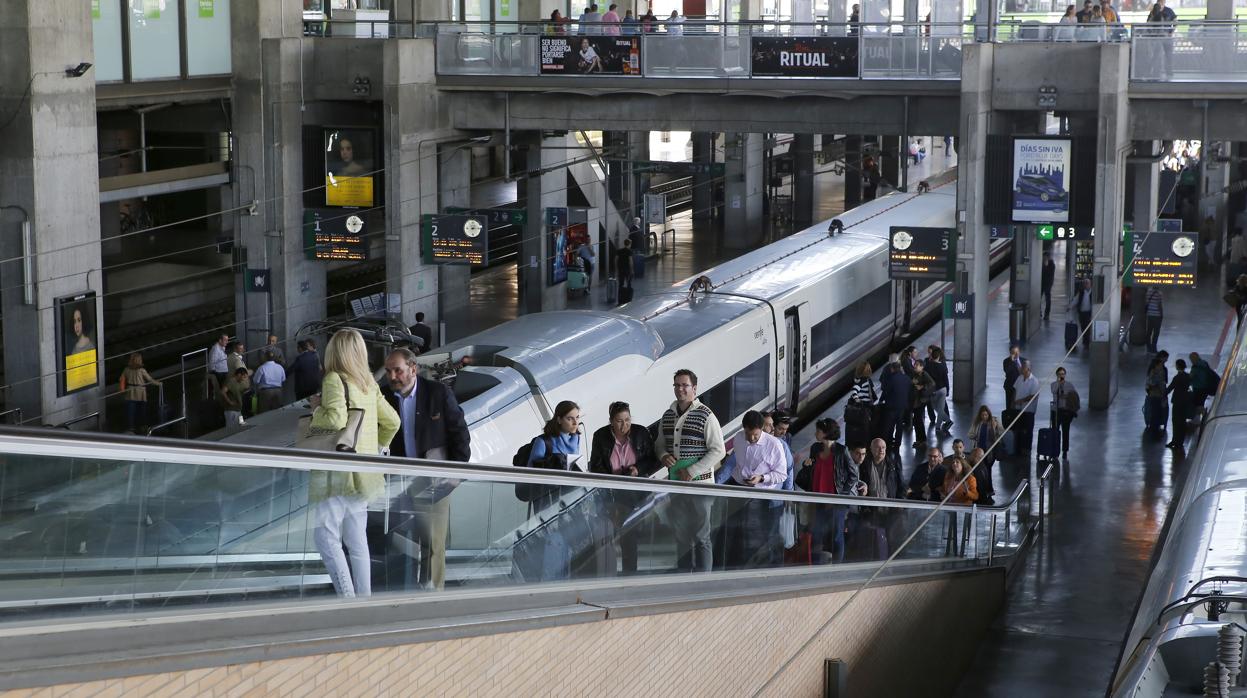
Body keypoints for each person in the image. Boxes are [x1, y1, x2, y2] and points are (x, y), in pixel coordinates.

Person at [307, 329, 400, 598]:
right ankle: (364, 599)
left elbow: (335, 420)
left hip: (339, 472)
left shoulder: (335, 379)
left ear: (334, 352)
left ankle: (347, 599)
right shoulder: (369, 383)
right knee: (356, 539)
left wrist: (316, 409)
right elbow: (393, 421)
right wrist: (378, 448)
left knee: (325, 536)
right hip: (365, 473)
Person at [381, 348, 471, 589]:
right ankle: (404, 591)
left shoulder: (437, 393)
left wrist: (456, 475)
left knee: (432, 541)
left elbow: (460, 433)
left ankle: (432, 596)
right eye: (388, 371)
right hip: (396, 481)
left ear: (413, 368)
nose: (392, 376)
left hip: (433, 479)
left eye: (397, 370)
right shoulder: (384, 396)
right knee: (396, 538)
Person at [654, 369, 726, 573]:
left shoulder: (706, 415)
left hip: (700, 487)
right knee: (681, 536)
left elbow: (719, 450)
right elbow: (659, 444)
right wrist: (662, 456)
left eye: (684, 385)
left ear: (694, 388)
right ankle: (684, 579)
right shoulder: (668, 415)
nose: (680, 389)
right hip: (677, 485)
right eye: (676, 385)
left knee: (701, 536)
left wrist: (692, 470)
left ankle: (703, 583)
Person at [589, 401, 659, 575]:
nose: (624, 425)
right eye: (619, 421)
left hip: (633, 492)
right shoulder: (600, 436)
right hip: (611, 492)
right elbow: (596, 465)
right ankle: (606, 573)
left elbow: (652, 460)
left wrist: (638, 469)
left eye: (627, 420)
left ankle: (630, 574)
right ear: (611, 421)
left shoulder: (641, 433)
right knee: (607, 535)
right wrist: (610, 480)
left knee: (629, 537)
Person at [723, 411, 788, 568]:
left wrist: (762, 478)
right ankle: (736, 568)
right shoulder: (739, 438)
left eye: (755, 435)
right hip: (739, 490)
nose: (751, 438)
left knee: (757, 536)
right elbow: (734, 463)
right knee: (736, 534)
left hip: (761, 495)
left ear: (762, 430)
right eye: (748, 434)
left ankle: (756, 569)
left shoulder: (774, 445)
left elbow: (782, 475)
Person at [801, 419, 864, 564]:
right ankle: (816, 565)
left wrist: (842, 494)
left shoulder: (842, 451)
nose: (816, 433)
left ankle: (836, 567)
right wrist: (807, 466)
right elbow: (812, 470)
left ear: (826, 433)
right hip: (817, 499)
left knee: (836, 536)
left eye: (818, 431)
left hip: (836, 502)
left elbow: (853, 475)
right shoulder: (815, 448)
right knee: (816, 534)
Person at [859, 438, 904, 559]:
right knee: (872, 539)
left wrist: (900, 504)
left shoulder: (893, 465)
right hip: (871, 510)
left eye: (883, 447)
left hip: (890, 510)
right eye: (878, 447)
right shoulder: (865, 465)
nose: (881, 450)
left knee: (891, 538)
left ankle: (891, 563)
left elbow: (901, 486)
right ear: (871, 449)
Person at [967, 405, 1003, 501]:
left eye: (986, 415)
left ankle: (988, 489)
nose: (984, 417)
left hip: (990, 451)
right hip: (979, 451)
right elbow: (970, 434)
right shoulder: (977, 423)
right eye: (982, 415)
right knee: (981, 470)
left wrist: (995, 428)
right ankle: (983, 489)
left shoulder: (994, 421)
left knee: (987, 470)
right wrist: (975, 436)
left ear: (989, 414)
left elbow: (1001, 433)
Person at [121, 353, 160, 434]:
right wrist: (159, 383)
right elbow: (150, 380)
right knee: (142, 411)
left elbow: (122, 380)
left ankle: (131, 428)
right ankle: (143, 426)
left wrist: (122, 390)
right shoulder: (142, 370)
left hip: (130, 391)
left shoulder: (126, 369)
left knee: (130, 412)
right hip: (140, 392)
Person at [844, 360, 878, 449]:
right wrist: (857, 399)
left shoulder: (858, 379)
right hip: (864, 408)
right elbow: (854, 390)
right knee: (866, 428)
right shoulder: (863, 380)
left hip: (861, 408)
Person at [880, 359, 911, 451]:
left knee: (889, 425)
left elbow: (886, 391)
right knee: (899, 426)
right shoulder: (906, 378)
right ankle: (897, 444)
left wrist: (881, 400)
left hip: (891, 406)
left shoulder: (891, 379)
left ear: (892, 369)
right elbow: (910, 391)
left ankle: (888, 443)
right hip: (902, 406)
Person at [1050, 366, 1080, 457]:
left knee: (1065, 431)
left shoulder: (1070, 385)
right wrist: (1059, 384)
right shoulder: (1054, 384)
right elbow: (1054, 391)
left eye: (1063, 374)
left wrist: (1067, 397)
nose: (1061, 376)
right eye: (1059, 374)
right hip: (1056, 410)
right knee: (1055, 430)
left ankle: (1065, 451)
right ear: (1057, 375)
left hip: (1066, 411)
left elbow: (1074, 396)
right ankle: (1054, 449)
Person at [1013, 360, 1040, 454]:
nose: (1021, 368)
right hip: (1018, 408)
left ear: (1028, 369)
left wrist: (1021, 401)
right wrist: (1014, 401)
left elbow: (1033, 395)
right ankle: (1018, 448)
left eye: (1023, 367)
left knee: (1028, 430)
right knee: (1018, 429)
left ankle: (1027, 449)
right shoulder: (1019, 378)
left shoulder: (1034, 381)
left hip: (1028, 410)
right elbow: (1015, 390)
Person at [1166, 358, 1193, 449]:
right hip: (1185, 401)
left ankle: (1175, 440)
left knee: (1176, 421)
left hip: (1177, 401)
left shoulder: (1177, 378)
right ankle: (1180, 441)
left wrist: (1163, 394)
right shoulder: (1188, 376)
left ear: (1177, 366)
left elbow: (1170, 388)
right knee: (1182, 421)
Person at [925, 348, 953, 435]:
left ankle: (938, 427)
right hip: (943, 389)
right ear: (939, 356)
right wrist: (948, 390)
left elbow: (926, 378)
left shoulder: (928, 365)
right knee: (940, 409)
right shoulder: (943, 366)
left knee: (936, 408)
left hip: (934, 391)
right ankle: (947, 422)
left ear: (932, 356)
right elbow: (946, 379)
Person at [1146, 0, 1176, 79]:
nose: (1161, 3)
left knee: (1169, 55)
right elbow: (1148, 23)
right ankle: (1153, 71)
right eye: (1160, 2)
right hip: (1157, 37)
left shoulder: (1169, 11)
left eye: (1162, 2)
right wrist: (1152, 34)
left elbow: (1175, 21)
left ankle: (1169, 72)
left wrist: (1171, 32)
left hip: (1167, 37)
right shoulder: (1154, 12)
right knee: (1156, 55)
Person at [909, 359, 935, 451]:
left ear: (922, 367)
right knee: (916, 420)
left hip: (921, 401)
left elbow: (932, 383)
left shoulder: (924, 374)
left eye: (917, 365)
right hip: (915, 401)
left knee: (918, 420)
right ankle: (919, 440)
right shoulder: (914, 374)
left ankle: (922, 440)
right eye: (915, 364)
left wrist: (922, 387)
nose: (915, 366)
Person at [1188, 352, 1219, 420]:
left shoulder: (1195, 367)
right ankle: (1199, 418)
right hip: (1206, 387)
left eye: (1191, 359)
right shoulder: (1204, 363)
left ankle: (1204, 417)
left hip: (1198, 389)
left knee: (1197, 405)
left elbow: (1190, 378)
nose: (1191, 361)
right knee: (1200, 403)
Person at [1145, 356, 1168, 433]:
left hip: (1154, 395)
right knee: (1156, 412)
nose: (1162, 366)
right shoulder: (1156, 373)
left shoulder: (1154, 372)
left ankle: (1154, 427)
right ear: (1156, 365)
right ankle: (1154, 427)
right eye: (1160, 364)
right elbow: (1157, 383)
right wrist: (1163, 393)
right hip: (1157, 395)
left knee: (1155, 411)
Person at [1070, 279, 1093, 349]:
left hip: (1089, 313)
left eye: (1087, 283)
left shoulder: (1093, 293)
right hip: (1082, 313)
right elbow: (1075, 300)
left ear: (1090, 284)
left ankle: (1086, 342)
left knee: (1088, 328)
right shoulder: (1081, 292)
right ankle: (1085, 341)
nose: (1086, 285)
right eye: (1085, 283)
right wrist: (1070, 306)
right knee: (1083, 327)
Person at [1002, 343, 1024, 410]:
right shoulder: (1006, 361)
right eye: (1014, 352)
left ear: (1019, 351)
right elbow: (1007, 371)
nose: (1016, 354)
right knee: (1009, 405)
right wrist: (1012, 362)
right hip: (1010, 386)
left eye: (1017, 352)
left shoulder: (1024, 361)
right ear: (1010, 353)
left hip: (1021, 386)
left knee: (1020, 405)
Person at [1144, 287, 1164, 354]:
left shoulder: (1148, 292)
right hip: (1157, 315)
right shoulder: (1159, 293)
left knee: (1149, 332)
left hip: (1149, 315)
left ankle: (1148, 347)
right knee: (1156, 333)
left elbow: (1146, 303)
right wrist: (1161, 315)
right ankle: (1153, 348)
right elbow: (1159, 305)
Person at [1041, 250, 1056, 320]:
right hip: (1042, 283)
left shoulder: (1051, 264)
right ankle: (1039, 312)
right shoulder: (1043, 263)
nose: (1044, 258)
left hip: (1047, 284)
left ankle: (1046, 314)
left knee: (1047, 299)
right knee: (1039, 298)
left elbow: (1048, 273)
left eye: (1045, 257)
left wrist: (1045, 265)